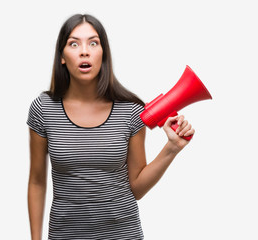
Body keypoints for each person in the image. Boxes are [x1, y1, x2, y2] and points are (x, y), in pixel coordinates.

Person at [27, 14, 195, 240]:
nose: (84, 51)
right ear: (62, 57)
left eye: (93, 43)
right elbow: (37, 181)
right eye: (73, 43)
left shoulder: (131, 111)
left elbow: (136, 188)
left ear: (103, 54)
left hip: (124, 234)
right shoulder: (44, 108)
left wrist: (171, 149)